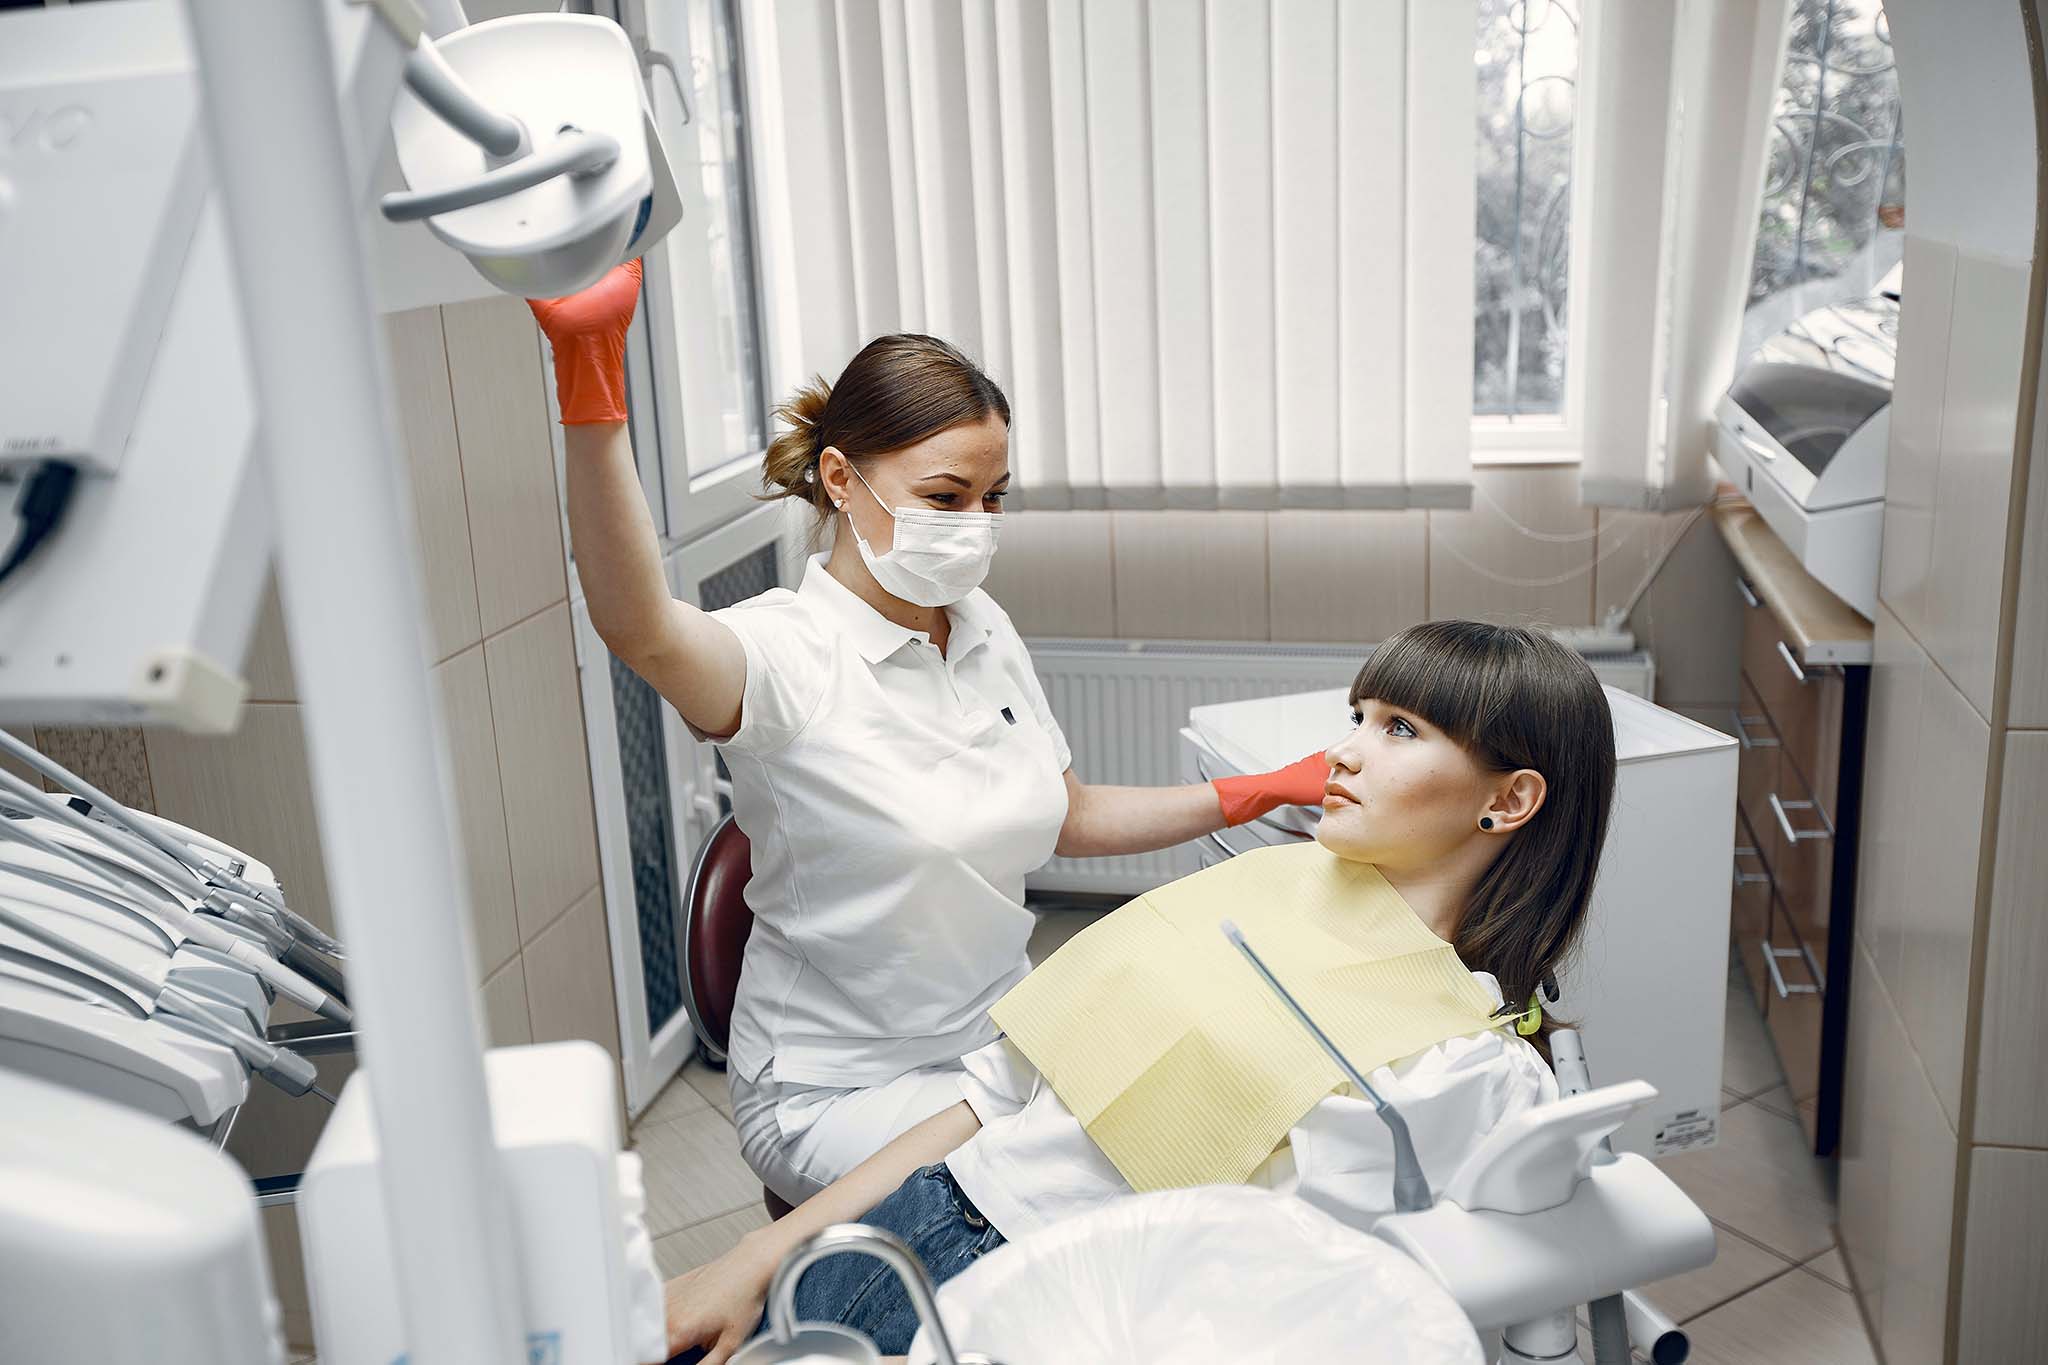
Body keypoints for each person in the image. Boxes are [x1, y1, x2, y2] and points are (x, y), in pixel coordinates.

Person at [527, 264, 1328, 1207]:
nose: (977, 526)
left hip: (991, 1047)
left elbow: (1068, 813)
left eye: (994, 497)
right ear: (841, 479)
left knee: (1208, 1120)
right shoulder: (786, 653)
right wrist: (591, 381)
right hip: (834, 1089)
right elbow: (640, 626)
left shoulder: (981, 625)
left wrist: (1261, 790)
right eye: (947, 497)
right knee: (1112, 1191)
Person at [657, 620, 1620, 1363]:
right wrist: (753, 1260)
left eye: (1400, 729)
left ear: (1509, 799)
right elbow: (992, 1099)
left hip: (1068, 1318)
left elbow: (1306, 1305)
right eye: (1357, 717)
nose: (1346, 752)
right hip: (913, 1229)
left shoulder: (1454, 1060)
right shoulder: (1259, 882)